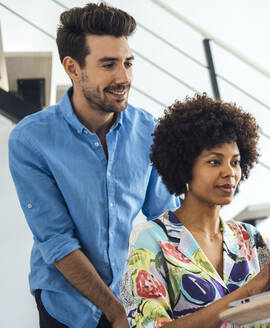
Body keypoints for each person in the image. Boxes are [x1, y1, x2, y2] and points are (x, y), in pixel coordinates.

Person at [8, 3, 178, 328]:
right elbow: (57, 240)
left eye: (128, 63)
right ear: (72, 68)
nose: (124, 77)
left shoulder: (149, 131)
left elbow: (166, 217)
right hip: (66, 306)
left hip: (130, 298)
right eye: (108, 65)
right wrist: (116, 312)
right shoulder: (30, 140)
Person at [120, 94, 270, 328]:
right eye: (214, 162)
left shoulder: (251, 241)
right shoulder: (151, 240)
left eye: (235, 162)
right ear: (184, 167)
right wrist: (247, 292)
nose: (229, 172)